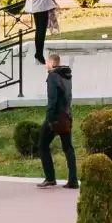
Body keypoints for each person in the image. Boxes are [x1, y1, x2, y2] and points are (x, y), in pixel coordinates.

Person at [36, 53, 78, 189]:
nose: (45, 64)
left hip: (55, 118)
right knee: (68, 148)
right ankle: (73, 180)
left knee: (42, 145)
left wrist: (49, 118)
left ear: (53, 63)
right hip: (67, 116)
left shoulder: (53, 76)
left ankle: (50, 178)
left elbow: (52, 99)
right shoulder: (67, 76)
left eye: (47, 62)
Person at [25, 0, 56, 64]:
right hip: (42, 8)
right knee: (41, 33)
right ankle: (39, 55)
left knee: (38, 31)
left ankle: (38, 53)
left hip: (35, 8)